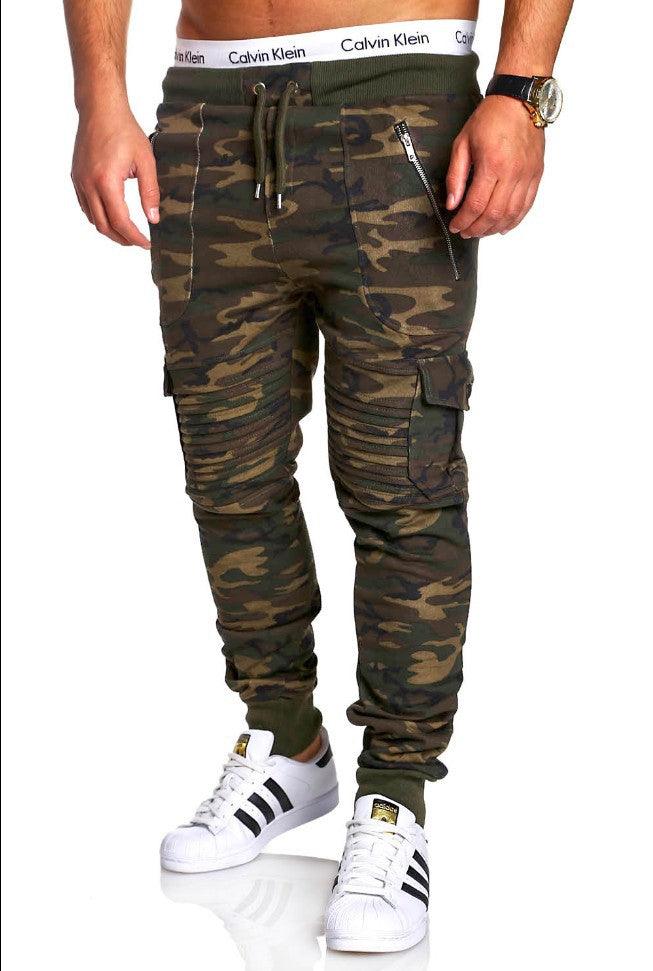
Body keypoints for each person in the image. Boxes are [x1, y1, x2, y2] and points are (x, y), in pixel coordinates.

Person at [65, 0, 572, 953]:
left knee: (402, 483)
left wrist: (519, 89)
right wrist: (100, 97)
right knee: (227, 468)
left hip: (396, 106)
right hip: (208, 114)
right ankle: (285, 737)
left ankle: (394, 793)